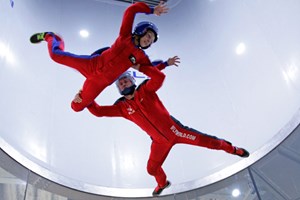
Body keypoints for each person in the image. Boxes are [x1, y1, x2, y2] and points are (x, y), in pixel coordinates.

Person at [73, 58, 250, 196]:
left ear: (132, 82)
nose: (123, 83)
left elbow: (159, 77)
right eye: (120, 84)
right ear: (118, 90)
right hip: (159, 142)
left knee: (213, 143)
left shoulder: (145, 90)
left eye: (126, 81)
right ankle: (162, 184)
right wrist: (86, 98)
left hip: (177, 131)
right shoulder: (122, 108)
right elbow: (98, 112)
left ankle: (233, 149)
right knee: (151, 169)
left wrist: (140, 67)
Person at [29, 1, 168, 112]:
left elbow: (158, 75)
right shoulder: (125, 35)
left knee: (76, 107)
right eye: (149, 36)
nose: (149, 40)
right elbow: (131, 10)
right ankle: (51, 37)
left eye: (151, 41)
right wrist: (151, 10)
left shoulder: (141, 57)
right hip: (91, 64)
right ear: (141, 31)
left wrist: (84, 98)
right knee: (54, 55)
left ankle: (84, 97)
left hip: (98, 83)